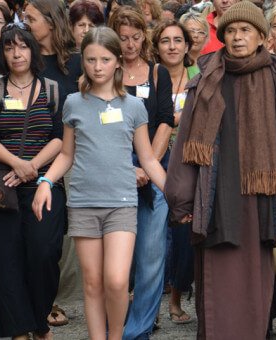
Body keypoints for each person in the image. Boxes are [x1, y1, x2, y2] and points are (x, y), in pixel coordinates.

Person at [164, 2, 276, 338]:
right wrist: (182, 198)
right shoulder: (206, 83)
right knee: (217, 285)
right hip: (216, 194)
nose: (237, 37)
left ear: (261, 37)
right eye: (230, 30)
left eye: (245, 30)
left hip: (260, 199)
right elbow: (187, 143)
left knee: (254, 283)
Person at [32, 26, 166, 340]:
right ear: (84, 62)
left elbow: (147, 159)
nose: (97, 66)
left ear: (118, 61)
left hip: (121, 202)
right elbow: (66, 154)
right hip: (82, 203)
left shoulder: (133, 106)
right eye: (91, 59)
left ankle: (116, 335)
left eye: (105, 59)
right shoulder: (73, 103)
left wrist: (175, 191)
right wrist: (45, 181)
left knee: (117, 281)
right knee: (92, 285)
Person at [0, 22, 65, 340]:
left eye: (22, 46)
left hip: (45, 186)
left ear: (33, 50)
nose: (16, 52)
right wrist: (16, 163)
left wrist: (34, 166)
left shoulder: (53, 89)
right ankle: (18, 329)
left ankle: (39, 320)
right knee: (5, 260)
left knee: (44, 253)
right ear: (2, 53)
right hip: (2, 186)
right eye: (9, 47)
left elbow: (60, 137)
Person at [108, 7, 175, 338]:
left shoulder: (158, 73)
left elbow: (165, 118)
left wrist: (150, 162)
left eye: (136, 37)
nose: (130, 45)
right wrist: (128, 166)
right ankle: (115, 323)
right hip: (113, 169)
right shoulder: (106, 72)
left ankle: (139, 331)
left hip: (154, 166)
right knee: (119, 261)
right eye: (123, 38)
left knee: (151, 256)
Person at [22, 0, 82, 327]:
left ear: (49, 20)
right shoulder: (24, 59)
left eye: (31, 18)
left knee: (71, 234)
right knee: (42, 234)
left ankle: (57, 297)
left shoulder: (76, 62)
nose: (25, 23)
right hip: (33, 157)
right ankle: (42, 297)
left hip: (75, 156)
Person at [151, 19, 199, 325]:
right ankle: (149, 305)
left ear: (187, 45)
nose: (172, 46)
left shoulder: (200, 76)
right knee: (154, 234)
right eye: (165, 41)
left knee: (184, 232)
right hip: (154, 155)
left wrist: (173, 118)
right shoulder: (150, 76)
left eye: (178, 40)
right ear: (156, 47)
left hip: (188, 159)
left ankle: (177, 297)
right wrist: (174, 119)